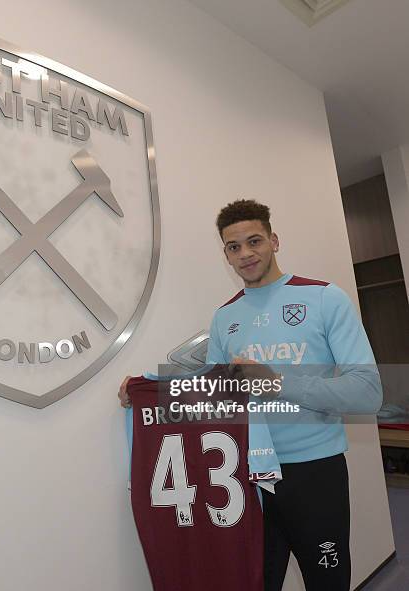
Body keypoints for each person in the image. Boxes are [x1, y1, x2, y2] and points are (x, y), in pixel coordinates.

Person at [118, 199, 382, 591]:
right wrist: (151, 388)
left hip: (313, 472)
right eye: (233, 247)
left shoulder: (324, 298)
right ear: (225, 253)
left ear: (274, 241)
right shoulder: (225, 317)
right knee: (252, 582)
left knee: (328, 582)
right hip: (245, 477)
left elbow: (367, 394)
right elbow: (216, 390)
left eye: (254, 241)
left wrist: (276, 382)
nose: (245, 254)